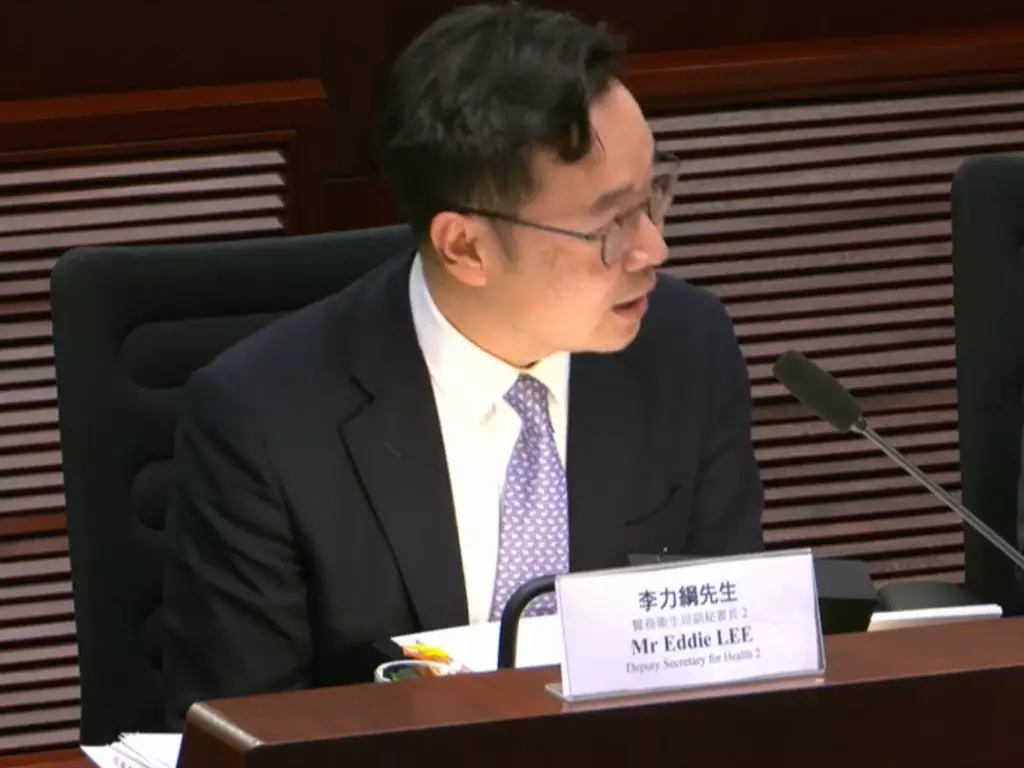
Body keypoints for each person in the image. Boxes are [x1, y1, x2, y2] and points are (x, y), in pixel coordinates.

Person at [162, 2, 764, 726]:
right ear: (465, 248)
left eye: (653, 196)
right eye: (611, 224)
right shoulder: (264, 423)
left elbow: (731, 661)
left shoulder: (686, 350)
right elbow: (252, 734)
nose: (653, 250)